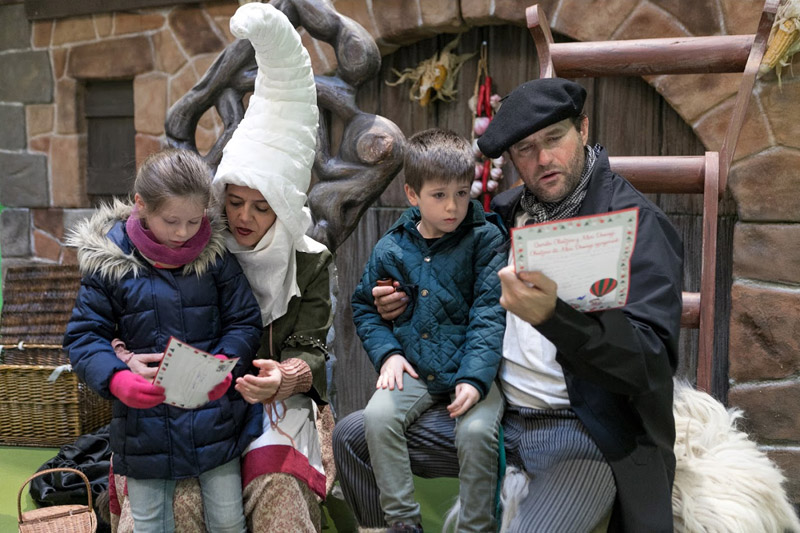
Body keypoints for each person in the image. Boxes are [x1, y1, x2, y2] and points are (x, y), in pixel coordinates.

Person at [333, 77, 684, 532]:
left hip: (581, 432)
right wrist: (396, 300)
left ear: (583, 127)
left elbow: (651, 365)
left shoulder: (637, 224)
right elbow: (448, 280)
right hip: (492, 409)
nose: (542, 159)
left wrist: (555, 318)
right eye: (524, 149)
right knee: (353, 438)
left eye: (554, 139)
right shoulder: (504, 212)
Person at [105, 4, 339, 532]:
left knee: (278, 490)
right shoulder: (192, 243)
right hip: (184, 409)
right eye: (235, 202)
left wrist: (288, 375)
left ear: (284, 207)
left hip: (273, 407)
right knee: (178, 501)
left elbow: (312, 346)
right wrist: (127, 362)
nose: (246, 218)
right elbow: (126, 318)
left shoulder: (309, 261)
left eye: (263, 207)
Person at [63, 148, 263, 533]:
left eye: (194, 220)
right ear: (140, 205)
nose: (183, 232)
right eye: (171, 221)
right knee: (151, 524)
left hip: (215, 420)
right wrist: (118, 377)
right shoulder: (111, 261)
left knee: (228, 522)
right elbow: (85, 336)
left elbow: (243, 321)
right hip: (143, 429)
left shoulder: (217, 255)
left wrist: (226, 365)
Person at [350, 128, 507, 533]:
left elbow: (489, 314)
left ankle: (476, 527)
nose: (453, 206)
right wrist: (390, 354)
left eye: (461, 192)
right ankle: (403, 522)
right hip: (415, 368)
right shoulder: (392, 248)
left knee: (475, 432)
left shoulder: (486, 240)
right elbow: (365, 307)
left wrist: (474, 379)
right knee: (378, 416)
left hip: (474, 370)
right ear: (412, 195)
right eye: (439, 195)